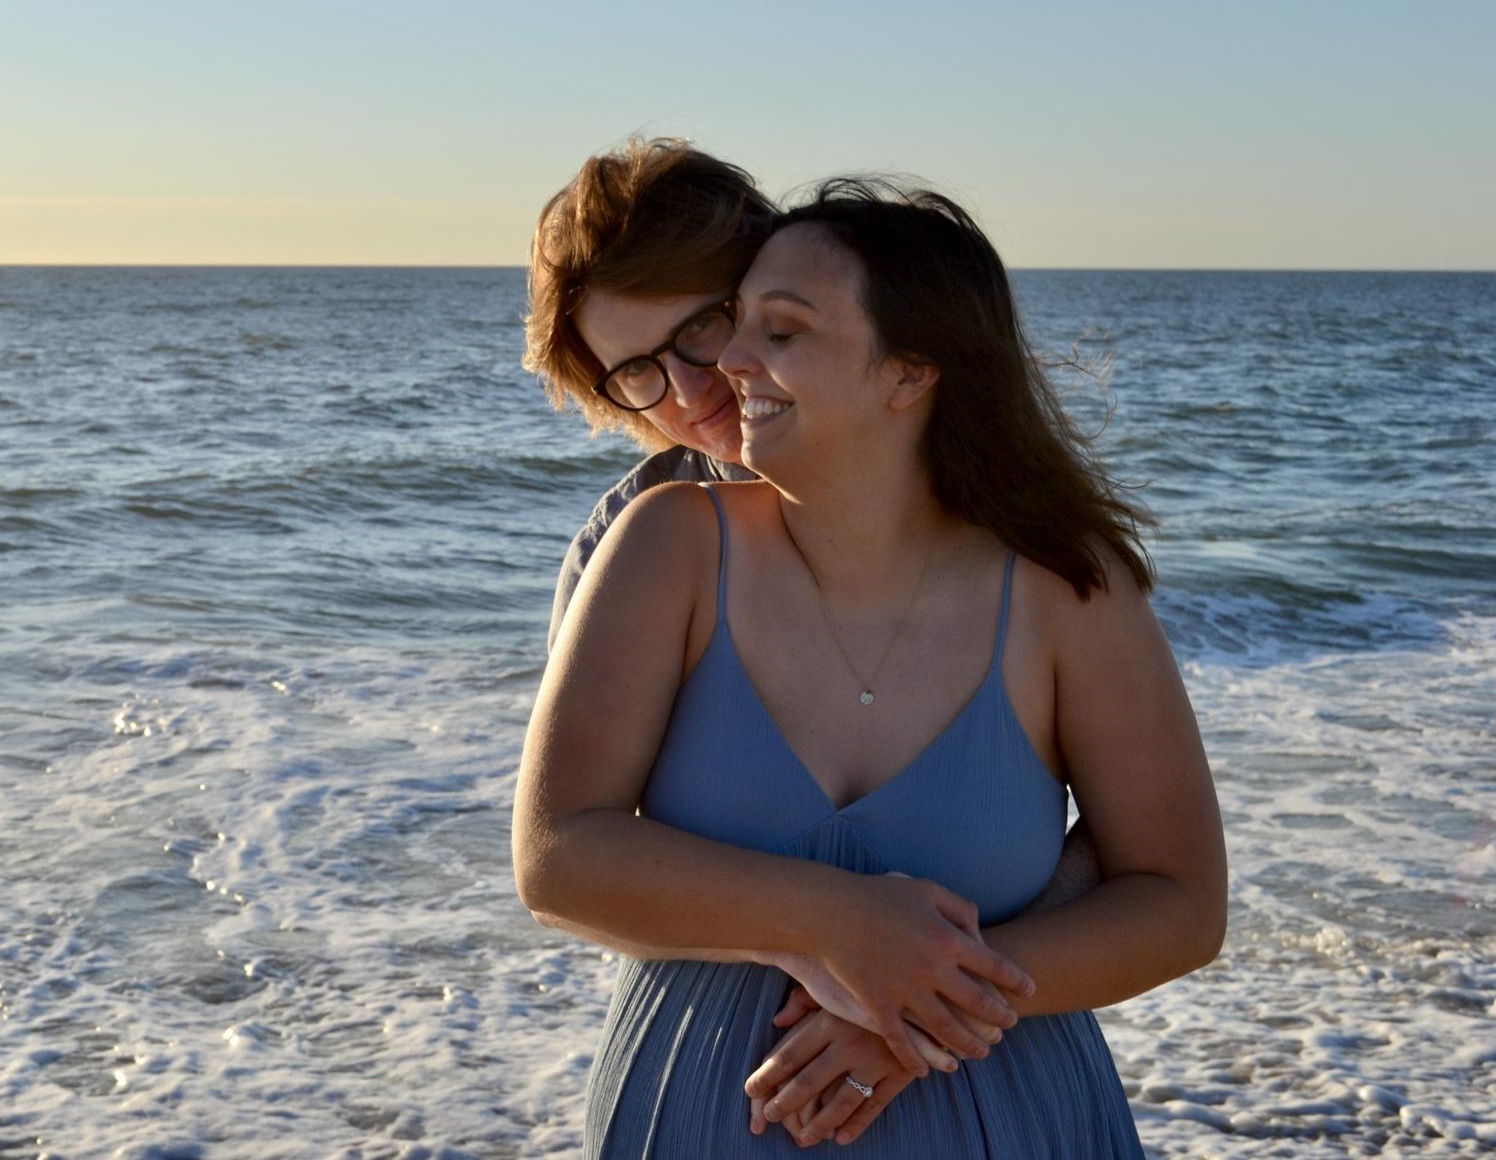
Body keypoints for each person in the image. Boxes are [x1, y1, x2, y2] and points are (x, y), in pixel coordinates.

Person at [513, 176, 1227, 1155]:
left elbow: (1160, 878)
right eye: (636, 370)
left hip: (995, 1107)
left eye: (713, 328)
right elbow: (568, 860)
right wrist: (841, 931)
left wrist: (929, 995)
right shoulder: (645, 542)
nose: (705, 380)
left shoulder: (1061, 583)